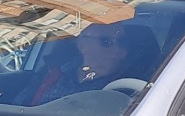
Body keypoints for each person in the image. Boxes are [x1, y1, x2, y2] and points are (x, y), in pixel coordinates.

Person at [16, 23, 159, 106]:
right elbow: (19, 107)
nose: (118, 49)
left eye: (123, 42)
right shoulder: (53, 72)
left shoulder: (131, 86)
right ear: (82, 45)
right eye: (106, 41)